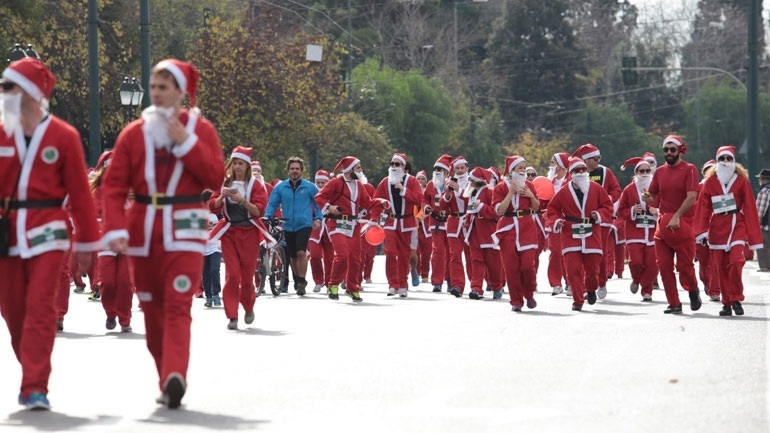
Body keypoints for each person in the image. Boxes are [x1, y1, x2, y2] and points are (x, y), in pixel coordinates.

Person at [102, 59, 225, 408]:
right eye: (153, 87)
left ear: (180, 93)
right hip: (142, 229)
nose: (156, 93)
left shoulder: (201, 130)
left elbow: (216, 177)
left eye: (163, 87)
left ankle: (176, 375)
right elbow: (113, 188)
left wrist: (186, 143)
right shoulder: (133, 133)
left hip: (185, 227)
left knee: (177, 303)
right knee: (152, 309)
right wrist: (113, 227)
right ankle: (166, 377)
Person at [0, 58, 100, 410]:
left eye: (8, 87)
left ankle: (34, 387)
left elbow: (82, 197)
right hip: (7, 233)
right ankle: (32, 367)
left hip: (49, 231)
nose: (2, 93)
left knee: (41, 308)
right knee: (13, 313)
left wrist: (88, 244)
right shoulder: (0, 130)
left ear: (30, 93)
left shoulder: (63, 136)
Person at [694, 146, 763, 316]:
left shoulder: (741, 182)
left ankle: (737, 298)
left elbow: (749, 207)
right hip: (717, 228)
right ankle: (726, 303)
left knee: (736, 261)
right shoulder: (710, 183)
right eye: (722, 159)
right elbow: (703, 208)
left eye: (728, 159)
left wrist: (752, 235)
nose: (725, 162)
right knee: (720, 268)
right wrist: (701, 232)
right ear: (717, 161)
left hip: (737, 225)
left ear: (733, 161)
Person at [209, 146, 271, 328]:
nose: (237, 167)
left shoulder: (255, 185)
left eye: (241, 164)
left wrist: (242, 200)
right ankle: (232, 315)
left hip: (249, 233)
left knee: (246, 276)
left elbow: (259, 210)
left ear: (247, 166)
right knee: (232, 274)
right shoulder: (224, 183)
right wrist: (222, 197)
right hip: (229, 232)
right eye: (234, 163)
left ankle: (249, 307)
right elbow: (213, 206)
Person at [642, 134, 702, 314]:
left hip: (683, 223)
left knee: (684, 267)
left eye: (672, 149)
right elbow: (652, 196)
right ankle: (674, 303)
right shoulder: (660, 171)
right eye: (665, 150)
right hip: (664, 227)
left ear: (680, 150)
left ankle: (692, 290)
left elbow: (692, 196)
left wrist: (677, 215)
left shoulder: (689, 169)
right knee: (664, 266)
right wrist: (648, 199)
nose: (668, 152)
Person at [315, 156, 386, 302]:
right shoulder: (335, 182)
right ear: (349, 169)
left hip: (353, 225)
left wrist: (381, 202)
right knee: (342, 254)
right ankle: (333, 285)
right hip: (336, 224)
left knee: (355, 257)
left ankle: (352, 287)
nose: (361, 170)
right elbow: (319, 198)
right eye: (358, 167)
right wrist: (330, 207)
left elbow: (367, 202)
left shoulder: (359, 185)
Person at [546, 157, 613, 311]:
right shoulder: (564, 191)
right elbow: (552, 209)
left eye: (583, 169)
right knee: (572, 269)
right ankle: (577, 300)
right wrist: (556, 221)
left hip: (592, 233)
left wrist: (599, 214)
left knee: (592, 270)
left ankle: (591, 289)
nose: (581, 173)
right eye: (577, 170)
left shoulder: (596, 189)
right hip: (570, 233)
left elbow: (607, 206)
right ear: (571, 173)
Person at [264, 156, 321, 296]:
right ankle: (298, 278)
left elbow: (318, 204)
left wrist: (318, 218)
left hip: (304, 224)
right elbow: (273, 203)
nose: (294, 171)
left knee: (301, 252)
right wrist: (268, 216)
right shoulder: (281, 187)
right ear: (288, 171)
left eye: (297, 169)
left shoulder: (309, 187)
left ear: (301, 171)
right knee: (293, 256)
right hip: (288, 224)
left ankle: (301, 281)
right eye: (292, 169)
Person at [92, 150, 134, 332]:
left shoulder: (132, 190)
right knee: (108, 282)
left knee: (125, 282)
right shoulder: (97, 190)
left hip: (126, 240)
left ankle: (125, 319)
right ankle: (110, 313)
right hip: (105, 239)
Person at [572, 143, 621, 300]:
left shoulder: (605, 172)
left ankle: (601, 282)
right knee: (583, 252)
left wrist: (605, 201)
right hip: (582, 220)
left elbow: (616, 190)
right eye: (595, 158)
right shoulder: (577, 172)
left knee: (599, 252)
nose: (598, 160)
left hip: (601, 219)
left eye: (599, 158)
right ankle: (586, 286)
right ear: (586, 161)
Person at [494, 157, 542, 309]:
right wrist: (511, 193)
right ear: (511, 171)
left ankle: (529, 294)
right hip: (507, 229)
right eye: (519, 168)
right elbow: (500, 210)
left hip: (526, 227)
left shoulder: (529, 186)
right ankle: (516, 301)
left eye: (524, 168)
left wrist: (531, 195)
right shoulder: (501, 187)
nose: (523, 171)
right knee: (511, 268)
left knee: (528, 265)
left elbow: (536, 207)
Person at [373, 153, 423, 297]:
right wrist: (373, 220)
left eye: (397, 164)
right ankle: (392, 284)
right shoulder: (384, 182)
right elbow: (376, 202)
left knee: (404, 254)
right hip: (390, 222)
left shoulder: (412, 181)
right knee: (389, 251)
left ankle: (402, 284)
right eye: (392, 164)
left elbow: (419, 199)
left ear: (403, 166)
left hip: (406, 222)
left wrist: (403, 190)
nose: (394, 167)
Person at [617, 157, 658, 301]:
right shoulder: (629, 190)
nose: (645, 173)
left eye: (648, 170)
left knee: (652, 265)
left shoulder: (656, 188)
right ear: (636, 173)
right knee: (635, 262)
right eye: (642, 171)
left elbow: (666, 206)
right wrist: (633, 210)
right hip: (635, 233)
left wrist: (657, 211)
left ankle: (647, 291)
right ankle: (636, 279)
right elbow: (620, 211)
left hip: (653, 233)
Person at [443, 156, 473, 297]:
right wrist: (447, 194)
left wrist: (459, 190)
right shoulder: (450, 183)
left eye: (462, 168)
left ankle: (475, 284)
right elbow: (442, 206)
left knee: (471, 255)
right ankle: (457, 285)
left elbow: (472, 200)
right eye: (457, 169)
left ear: (467, 168)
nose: (460, 171)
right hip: (454, 221)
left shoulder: (473, 182)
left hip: (469, 221)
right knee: (454, 255)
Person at [423, 154, 452, 292]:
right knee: (438, 251)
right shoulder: (430, 184)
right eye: (435, 169)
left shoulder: (451, 184)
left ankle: (450, 279)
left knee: (451, 252)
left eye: (440, 169)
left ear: (447, 172)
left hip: (450, 222)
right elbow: (425, 200)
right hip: (436, 223)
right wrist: (426, 207)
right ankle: (437, 282)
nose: (437, 171)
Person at [545, 152, 570, 296]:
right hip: (553, 223)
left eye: (554, 162)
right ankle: (555, 283)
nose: (551, 165)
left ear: (561, 165)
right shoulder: (549, 182)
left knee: (568, 253)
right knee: (555, 252)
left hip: (568, 222)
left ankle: (570, 282)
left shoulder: (570, 181)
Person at [308, 170, 334, 291]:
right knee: (315, 255)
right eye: (318, 182)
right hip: (315, 228)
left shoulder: (333, 194)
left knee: (330, 258)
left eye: (323, 182)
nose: (320, 185)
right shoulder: (311, 195)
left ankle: (329, 282)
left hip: (330, 228)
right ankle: (318, 281)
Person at [202, 202, 222, 307]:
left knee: (214, 270)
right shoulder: (197, 215)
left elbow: (219, 230)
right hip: (202, 249)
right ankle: (208, 297)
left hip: (215, 248)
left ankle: (216, 294)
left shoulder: (214, 217)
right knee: (205, 274)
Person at [755, 168, 770, 272]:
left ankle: (765, 266)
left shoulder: (764, 191)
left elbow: (760, 210)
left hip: (766, 225)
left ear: (764, 179)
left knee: (762, 244)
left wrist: (756, 222)